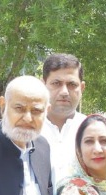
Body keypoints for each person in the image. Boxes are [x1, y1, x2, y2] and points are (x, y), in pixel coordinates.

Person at [40, 53, 86, 185]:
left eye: (72, 84)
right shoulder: (27, 130)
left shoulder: (93, 131)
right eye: (56, 83)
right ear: (43, 85)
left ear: (82, 88)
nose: (64, 92)